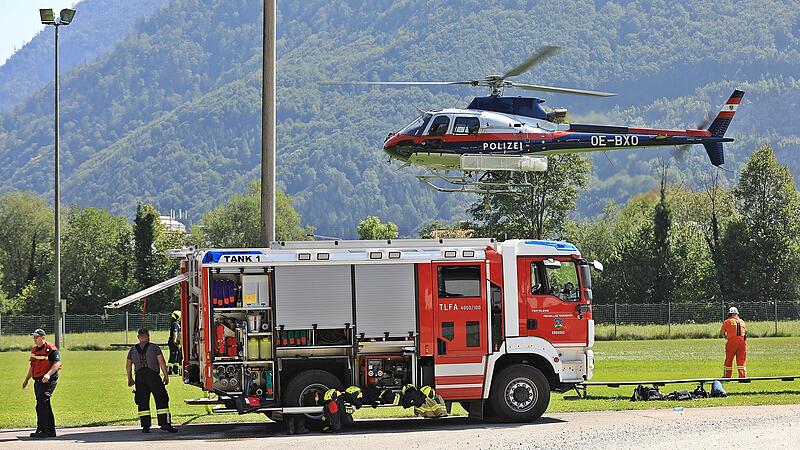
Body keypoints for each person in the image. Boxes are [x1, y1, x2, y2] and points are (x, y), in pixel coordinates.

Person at [126, 328, 178, 433]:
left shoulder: (132, 349)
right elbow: (161, 362)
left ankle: (145, 426)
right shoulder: (154, 348)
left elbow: (128, 366)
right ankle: (164, 423)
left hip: (140, 378)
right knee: (162, 399)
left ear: (138, 337)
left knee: (142, 402)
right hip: (153, 376)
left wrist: (130, 378)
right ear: (148, 336)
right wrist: (166, 375)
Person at [22, 329, 61, 439]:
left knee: (42, 403)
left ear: (43, 338)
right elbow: (32, 366)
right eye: (34, 337)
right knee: (43, 404)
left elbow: (57, 363)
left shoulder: (51, 349)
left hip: (49, 380)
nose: (34, 339)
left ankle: (43, 430)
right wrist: (26, 380)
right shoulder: (34, 350)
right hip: (38, 381)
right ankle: (48, 431)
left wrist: (48, 374)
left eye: (36, 337)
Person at [721, 306, 747, 378]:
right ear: (737, 314)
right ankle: (743, 377)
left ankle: (727, 376)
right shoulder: (742, 321)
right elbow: (745, 332)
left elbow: (722, 332)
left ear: (729, 314)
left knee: (729, 359)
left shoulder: (727, 321)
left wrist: (726, 335)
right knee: (741, 360)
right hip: (742, 342)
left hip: (731, 342)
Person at [167, 311, 182, 375]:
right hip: (173, 341)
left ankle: (175, 370)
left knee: (177, 355)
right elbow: (175, 332)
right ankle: (169, 370)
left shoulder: (176, 323)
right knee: (173, 355)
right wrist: (175, 340)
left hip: (175, 341)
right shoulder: (175, 324)